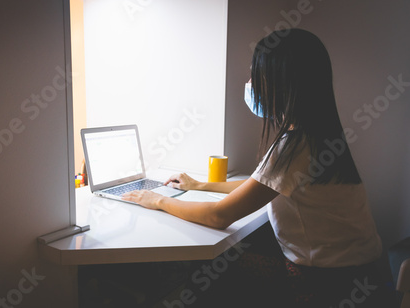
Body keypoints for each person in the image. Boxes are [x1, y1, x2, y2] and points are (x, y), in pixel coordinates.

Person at [122, 29, 386, 307]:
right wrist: (200, 185)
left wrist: (158, 201)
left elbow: (218, 217)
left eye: (255, 75)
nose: (249, 83)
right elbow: (262, 186)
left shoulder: (293, 147)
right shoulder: (320, 135)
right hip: (363, 274)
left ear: (281, 83)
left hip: (324, 286)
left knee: (208, 268)